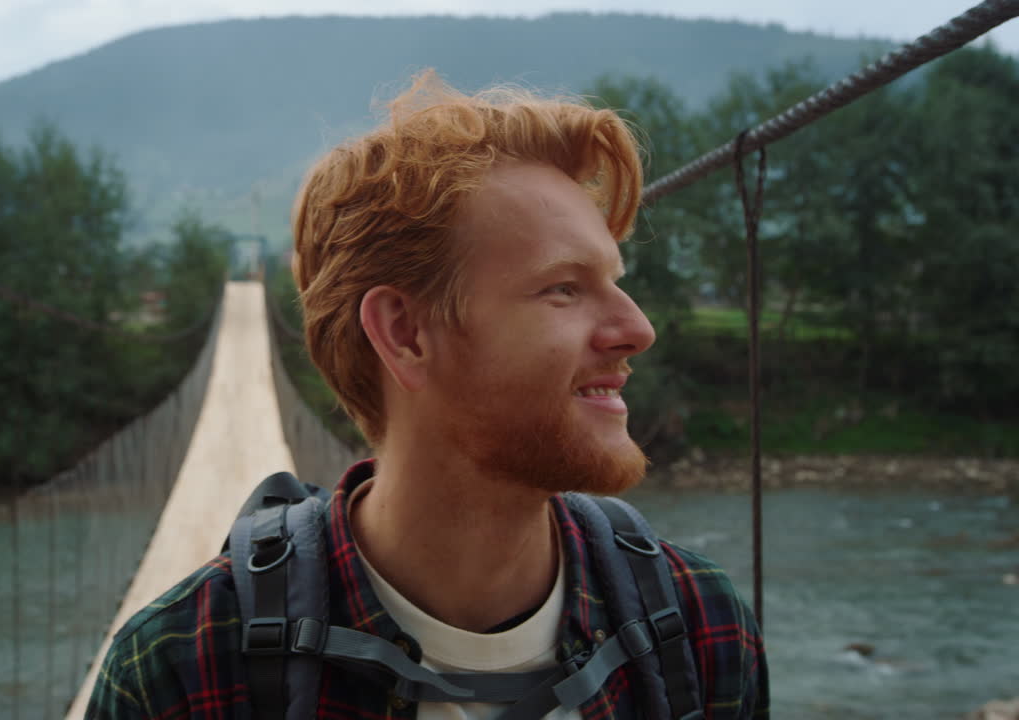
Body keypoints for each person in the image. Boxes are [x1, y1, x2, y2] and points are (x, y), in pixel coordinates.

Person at [86, 69, 768, 719]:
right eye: (564, 287)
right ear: (406, 334)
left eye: (617, 281)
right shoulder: (182, 668)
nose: (637, 330)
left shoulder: (698, 626)